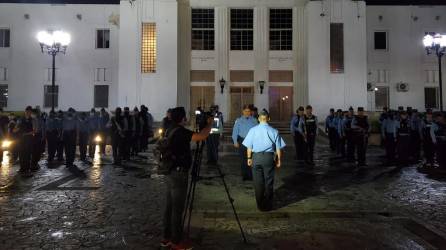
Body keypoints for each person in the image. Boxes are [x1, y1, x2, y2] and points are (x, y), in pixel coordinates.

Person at [161, 107, 212, 250]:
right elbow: (201, 136)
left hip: (170, 171)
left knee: (169, 207)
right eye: (186, 117)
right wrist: (210, 123)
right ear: (182, 119)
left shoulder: (169, 128)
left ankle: (166, 237)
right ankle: (176, 241)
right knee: (177, 209)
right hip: (178, 174)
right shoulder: (180, 131)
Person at [243, 110, 285, 211]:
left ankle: (260, 206)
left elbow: (249, 147)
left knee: (258, 183)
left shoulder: (253, 130)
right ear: (268, 118)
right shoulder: (274, 131)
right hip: (268, 158)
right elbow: (279, 148)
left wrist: (249, 158)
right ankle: (268, 205)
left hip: (256, 158)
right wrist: (279, 160)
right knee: (269, 182)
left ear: (258, 119)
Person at [231, 104, 258, 181]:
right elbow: (235, 132)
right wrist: (235, 141)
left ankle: (250, 175)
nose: (247, 112)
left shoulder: (254, 120)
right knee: (243, 159)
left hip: (251, 142)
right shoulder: (239, 120)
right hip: (242, 141)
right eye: (245, 111)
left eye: (248, 111)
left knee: (251, 158)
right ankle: (245, 175)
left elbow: (257, 132)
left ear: (250, 112)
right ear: (243, 111)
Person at [15, 106, 34, 176]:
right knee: (21, 154)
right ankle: (22, 168)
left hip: (29, 140)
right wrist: (16, 129)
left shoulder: (32, 120)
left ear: (31, 112)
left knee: (28, 154)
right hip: (21, 140)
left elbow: (34, 131)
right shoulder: (20, 119)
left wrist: (26, 133)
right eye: (27, 111)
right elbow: (15, 129)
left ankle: (27, 169)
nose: (28, 113)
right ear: (25, 111)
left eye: (29, 112)